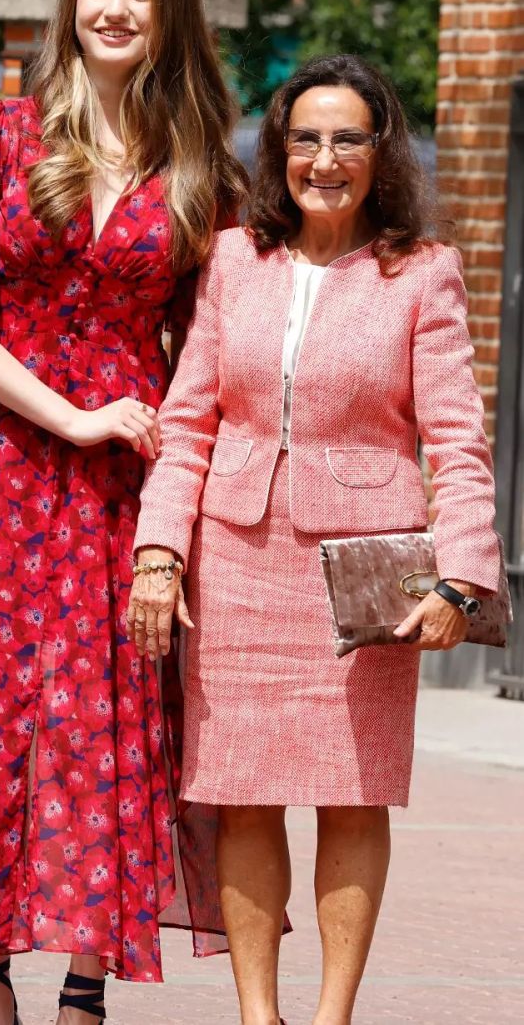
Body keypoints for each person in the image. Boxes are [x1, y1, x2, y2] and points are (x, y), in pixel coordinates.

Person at [0, 0, 247, 1024]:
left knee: (103, 721)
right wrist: (73, 416)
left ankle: (83, 987)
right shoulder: (2, 131)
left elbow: (213, 351)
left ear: (167, 11)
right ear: (69, 5)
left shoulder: (198, 167)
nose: (114, 10)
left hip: (115, 493)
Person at [129, 53, 500, 1025]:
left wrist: (460, 581)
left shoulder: (423, 274)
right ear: (278, 150)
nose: (324, 158)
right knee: (243, 792)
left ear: (382, 155)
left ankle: (330, 1017)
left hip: (365, 578)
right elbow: (190, 421)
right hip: (238, 563)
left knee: (352, 794)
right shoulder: (232, 261)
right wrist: (159, 549)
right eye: (305, 137)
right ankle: (261, 1016)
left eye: (347, 138)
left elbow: (458, 440)